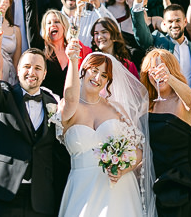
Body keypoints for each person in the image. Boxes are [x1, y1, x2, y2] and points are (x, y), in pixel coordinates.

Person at [0, 28, 68, 217]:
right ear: (18, 71)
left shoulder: (53, 104)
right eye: (27, 67)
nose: (31, 72)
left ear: (44, 75)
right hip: (4, 192)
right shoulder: (5, 95)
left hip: (40, 198)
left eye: (37, 68)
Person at [57, 47, 156, 217]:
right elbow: (71, 97)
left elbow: (139, 151)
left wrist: (124, 168)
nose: (97, 78)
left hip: (119, 189)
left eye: (104, 76)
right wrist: (73, 60)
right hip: (82, 188)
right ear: (84, 70)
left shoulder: (116, 109)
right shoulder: (67, 108)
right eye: (94, 71)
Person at [140, 49, 191, 217]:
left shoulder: (181, 101)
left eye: (163, 68)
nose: (157, 72)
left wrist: (169, 78)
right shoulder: (147, 105)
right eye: (152, 69)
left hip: (178, 183)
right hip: (151, 182)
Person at [131, 0, 191, 96]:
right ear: (164, 24)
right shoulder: (157, 41)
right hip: (165, 103)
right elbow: (141, 35)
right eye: (170, 22)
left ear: (185, 22)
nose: (174, 25)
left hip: (190, 105)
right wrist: (138, 4)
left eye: (178, 21)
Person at [25, 4, 90, 96]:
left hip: (70, 103)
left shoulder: (72, 48)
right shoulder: (41, 48)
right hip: (47, 103)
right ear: (45, 29)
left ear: (64, 26)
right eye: (49, 23)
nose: (53, 25)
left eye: (56, 22)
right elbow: (31, 22)